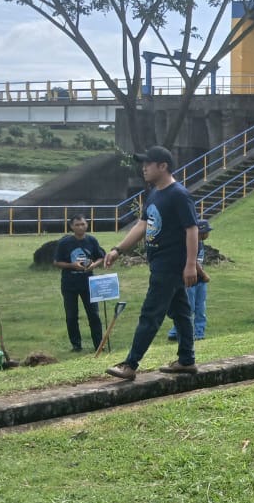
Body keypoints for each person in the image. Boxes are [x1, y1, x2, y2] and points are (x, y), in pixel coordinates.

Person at [103, 146, 200, 380]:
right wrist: (118, 249)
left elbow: (192, 229)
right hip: (159, 264)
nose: (143, 168)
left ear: (163, 166)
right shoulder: (155, 193)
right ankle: (186, 361)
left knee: (150, 314)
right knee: (181, 313)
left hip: (170, 266)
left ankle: (130, 364)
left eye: (148, 163)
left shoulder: (178, 194)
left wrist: (190, 264)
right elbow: (142, 224)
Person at [54, 214, 106, 352]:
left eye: (83, 224)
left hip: (89, 283)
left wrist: (94, 265)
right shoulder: (64, 243)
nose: (80, 227)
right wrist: (72, 265)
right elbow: (57, 262)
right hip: (69, 284)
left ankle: (99, 345)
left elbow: (101, 257)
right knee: (71, 315)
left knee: (94, 314)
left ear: (87, 225)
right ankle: (76, 345)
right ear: (71, 226)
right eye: (77, 225)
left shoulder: (92, 240)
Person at [167, 219, 212, 341]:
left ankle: (199, 333)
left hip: (200, 283)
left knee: (200, 308)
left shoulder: (200, 243)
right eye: (207, 231)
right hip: (191, 281)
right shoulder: (191, 244)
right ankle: (176, 331)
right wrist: (204, 274)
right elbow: (194, 262)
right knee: (188, 308)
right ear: (201, 232)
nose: (208, 234)